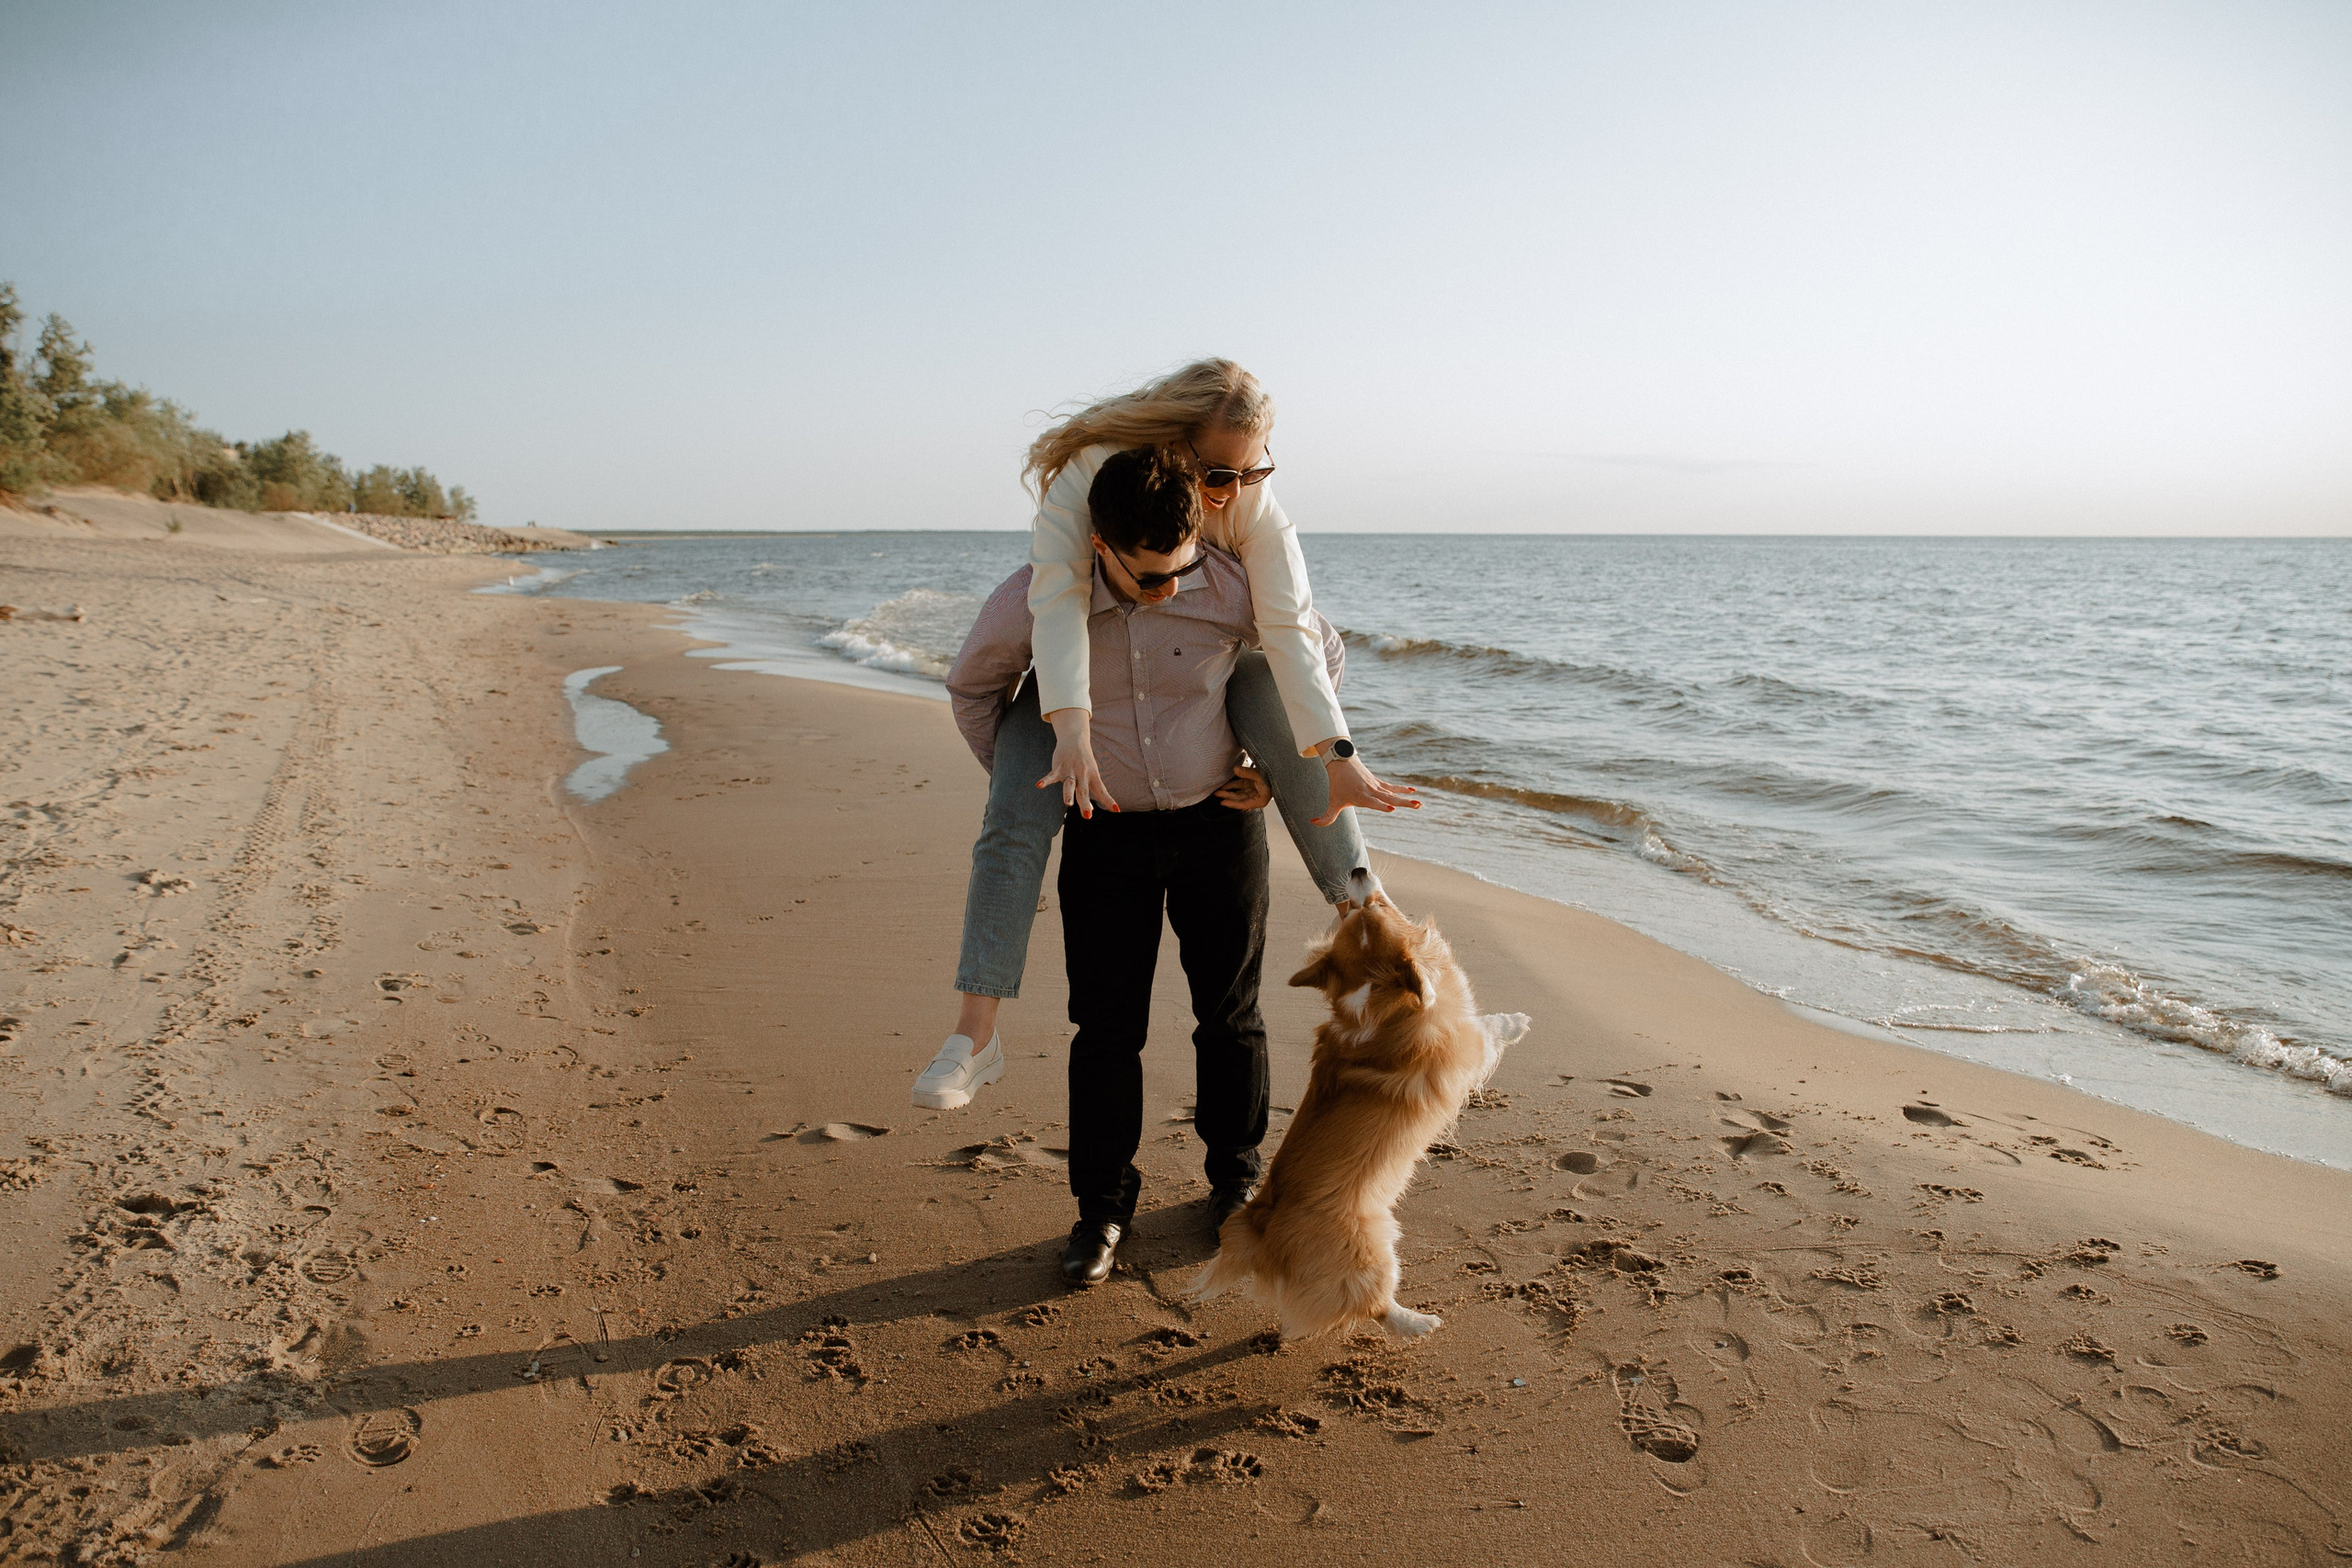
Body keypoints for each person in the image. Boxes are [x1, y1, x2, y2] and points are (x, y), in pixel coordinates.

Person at [911, 359, 1418, 1114]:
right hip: (1064, 707)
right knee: (1018, 812)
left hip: (1216, 775)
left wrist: (1312, 758)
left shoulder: (1247, 508)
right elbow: (1037, 624)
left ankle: (1371, 920)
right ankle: (975, 1033)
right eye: (1217, 472)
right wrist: (1054, 754)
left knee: (1267, 680)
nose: (1232, 490)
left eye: (1251, 472)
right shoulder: (1084, 489)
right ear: (1171, 447)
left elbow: (1303, 637)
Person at [944, 448, 1345, 1284]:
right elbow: (975, 686)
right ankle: (1101, 1209)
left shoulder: (1230, 585)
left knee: (1230, 1015)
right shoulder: (1036, 600)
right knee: (1105, 1028)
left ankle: (1234, 1181)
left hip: (1218, 825)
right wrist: (1030, 782)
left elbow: (1314, 655)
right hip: (1106, 832)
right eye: (1149, 578)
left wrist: (1272, 768)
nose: (1171, 589)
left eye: (1181, 571)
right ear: (1099, 545)